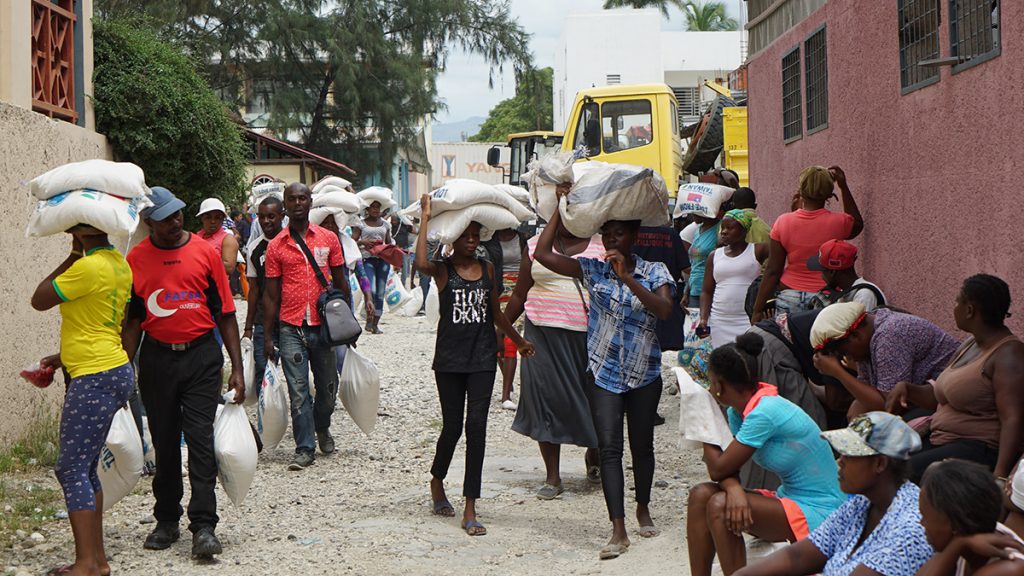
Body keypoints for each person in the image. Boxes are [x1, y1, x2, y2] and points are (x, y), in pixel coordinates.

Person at [534, 186, 675, 560]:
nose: (612, 239)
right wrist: (560, 209)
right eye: (606, 233)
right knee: (609, 450)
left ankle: (643, 508)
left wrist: (627, 277)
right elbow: (542, 254)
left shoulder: (654, 270)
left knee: (641, 448)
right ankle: (618, 529)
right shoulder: (592, 268)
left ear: (635, 235)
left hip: (644, 373)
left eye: (619, 233)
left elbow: (663, 310)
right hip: (603, 373)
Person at [121, 186, 245, 559]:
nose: (175, 222)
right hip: (157, 360)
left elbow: (225, 313)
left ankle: (204, 525)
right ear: (149, 223)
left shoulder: (205, 253)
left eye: (177, 214)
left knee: (201, 441)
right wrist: (125, 367)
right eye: (165, 218)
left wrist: (237, 367)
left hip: (201, 359)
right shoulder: (136, 259)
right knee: (164, 440)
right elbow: (133, 320)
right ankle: (167, 518)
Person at [414, 194, 535, 537]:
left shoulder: (488, 269)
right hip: (449, 360)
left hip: (482, 358)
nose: (471, 241)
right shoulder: (443, 270)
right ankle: (437, 481)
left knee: (477, 430)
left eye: (475, 236)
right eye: (464, 236)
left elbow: (496, 313)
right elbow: (421, 260)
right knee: (452, 427)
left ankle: (470, 506)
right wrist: (425, 218)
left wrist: (520, 341)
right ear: (454, 239)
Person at [687, 334, 845, 576]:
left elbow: (719, 469)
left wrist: (704, 419)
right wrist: (735, 489)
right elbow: (728, 468)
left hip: (822, 510)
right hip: (792, 498)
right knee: (701, 495)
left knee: (720, 504)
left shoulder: (765, 412)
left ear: (718, 386)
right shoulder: (738, 412)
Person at [30, 224, 133, 576]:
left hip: (95, 376)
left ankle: (87, 563)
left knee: (71, 468)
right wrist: (64, 357)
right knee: (85, 468)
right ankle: (97, 561)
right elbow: (99, 322)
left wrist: (73, 253)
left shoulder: (86, 266)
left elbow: (40, 298)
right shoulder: (118, 262)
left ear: (84, 227)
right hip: (110, 368)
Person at [735, 411, 933, 576]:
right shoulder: (861, 504)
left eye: (850, 455)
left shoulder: (911, 527)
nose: (840, 462)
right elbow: (799, 556)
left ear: (879, 464)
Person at [886, 275, 1024, 483]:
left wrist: (1000, 476)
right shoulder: (972, 344)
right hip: (944, 439)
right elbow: (942, 395)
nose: (954, 307)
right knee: (880, 461)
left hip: (978, 448)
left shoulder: (1009, 355)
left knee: (895, 476)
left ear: (970, 310)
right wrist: (908, 388)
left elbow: (1013, 418)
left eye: (957, 302)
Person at [504, 218, 604, 500]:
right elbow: (519, 294)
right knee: (544, 399)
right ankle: (553, 475)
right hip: (540, 335)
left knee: (592, 400)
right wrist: (499, 330)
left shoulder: (600, 245)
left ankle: (594, 453)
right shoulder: (534, 246)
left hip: (587, 336)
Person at [263, 183, 350, 471]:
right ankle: (304, 448)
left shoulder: (329, 239)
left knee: (328, 388)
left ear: (310, 202)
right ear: (285, 205)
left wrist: (346, 324)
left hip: (324, 327)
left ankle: (322, 426)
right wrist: (267, 336)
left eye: (303, 198)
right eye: (292, 199)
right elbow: (271, 295)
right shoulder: (277, 246)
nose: (298, 203)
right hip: (291, 327)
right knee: (298, 391)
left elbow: (341, 283)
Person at [751, 165, 864, 321]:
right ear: (829, 195)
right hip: (825, 300)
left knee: (789, 344)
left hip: (789, 296)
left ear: (801, 191)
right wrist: (843, 186)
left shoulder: (783, 222)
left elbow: (772, 270)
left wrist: (757, 310)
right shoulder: (840, 222)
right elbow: (858, 223)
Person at [811, 301, 959, 417]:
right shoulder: (867, 336)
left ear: (855, 336)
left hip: (950, 397)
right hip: (925, 396)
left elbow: (888, 405)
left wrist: (838, 372)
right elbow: (865, 396)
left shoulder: (890, 335)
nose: (847, 357)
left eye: (843, 352)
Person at [916, 460, 1024, 576]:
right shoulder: (965, 534)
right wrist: (959, 543)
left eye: (924, 516)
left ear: (954, 525)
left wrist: (958, 543)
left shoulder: (1007, 569)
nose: (921, 523)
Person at [316, 211, 376, 378]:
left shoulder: (348, 246)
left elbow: (361, 273)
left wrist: (368, 298)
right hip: (318, 305)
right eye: (325, 223)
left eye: (332, 223)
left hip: (342, 305)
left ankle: (346, 386)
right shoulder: (312, 245)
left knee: (342, 351)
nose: (329, 226)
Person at [699, 209, 769, 349]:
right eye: (723, 228)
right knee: (724, 362)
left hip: (747, 319)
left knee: (748, 361)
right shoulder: (715, 256)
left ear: (744, 230)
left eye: (730, 228)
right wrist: (703, 319)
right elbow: (706, 291)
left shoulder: (757, 250)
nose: (724, 232)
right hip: (720, 319)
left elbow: (779, 256)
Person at [243, 196, 284, 392]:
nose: (266, 221)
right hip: (262, 319)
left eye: (271, 216)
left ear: (282, 216)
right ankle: (266, 419)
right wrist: (248, 327)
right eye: (261, 217)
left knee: (295, 374)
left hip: (289, 318)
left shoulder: (293, 242)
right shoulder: (254, 248)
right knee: (263, 369)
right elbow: (254, 289)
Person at [485, 228, 527, 410]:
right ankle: (507, 382)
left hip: (518, 292)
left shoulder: (523, 239)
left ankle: (505, 396)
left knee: (510, 339)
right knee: (496, 339)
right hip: (497, 290)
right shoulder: (488, 239)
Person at [633, 224, 690, 351]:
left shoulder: (630, 233)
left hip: (635, 298)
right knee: (667, 349)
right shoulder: (671, 234)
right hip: (667, 298)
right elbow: (684, 265)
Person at [807, 239, 887, 311]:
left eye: (823, 272)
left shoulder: (864, 295)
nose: (822, 276)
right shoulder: (845, 293)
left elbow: (863, 327)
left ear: (832, 272)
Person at [351, 199, 393, 334]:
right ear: (367, 210)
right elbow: (352, 242)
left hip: (382, 261)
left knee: (380, 293)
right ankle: (369, 318)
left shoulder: (385, 225)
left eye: (378, 207)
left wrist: (388, 250)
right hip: (366, 260)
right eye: (372, 207)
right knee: (372, 290)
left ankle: (375, 323)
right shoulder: (361, 224)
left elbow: (389, 243)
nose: (375, 210)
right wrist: (363, 242)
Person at [196, 198, 240, 277]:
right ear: (202, 218)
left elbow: (228, 267)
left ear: (223, 219)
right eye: (208, 217)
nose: (213, 221)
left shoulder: (228, 239)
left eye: (217, 217)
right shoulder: (196, 237)